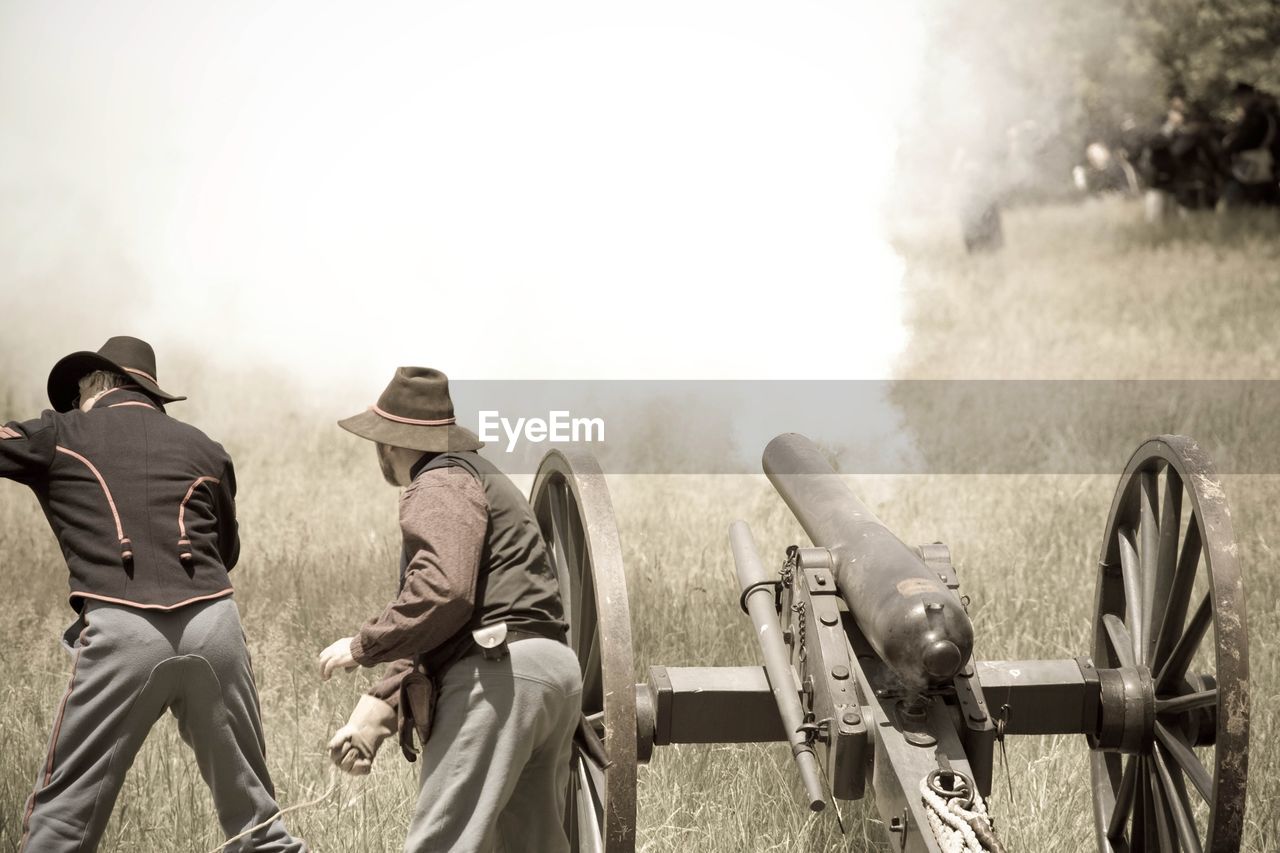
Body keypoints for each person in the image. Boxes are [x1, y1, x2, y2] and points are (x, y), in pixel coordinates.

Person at [1, 336, 306, 853]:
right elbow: (225, 551)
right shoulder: (206, 447)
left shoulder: (60, 431)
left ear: (92, 384)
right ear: (148, 392)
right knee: (257, 824)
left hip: (123, 631)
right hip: (216, 628)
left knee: (63, 822)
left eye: (77, 395)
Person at [317, 366, 581, 853]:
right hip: (551, 677)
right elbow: (444, 621)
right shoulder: (481, 478)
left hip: (496, 679)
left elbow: (444, 592)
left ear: (391, 443)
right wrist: (373, 716)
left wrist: (362, 646)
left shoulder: (438, 481)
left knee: (444, 844)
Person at [1220, 82, 1279, 208]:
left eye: (1241, 97)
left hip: (1255, 165)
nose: (1238, 101)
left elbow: (1245, 140)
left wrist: (1228, 146)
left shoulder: (1257, 116)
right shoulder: (1257, 115)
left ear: (1251, 96)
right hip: (1260, 165)